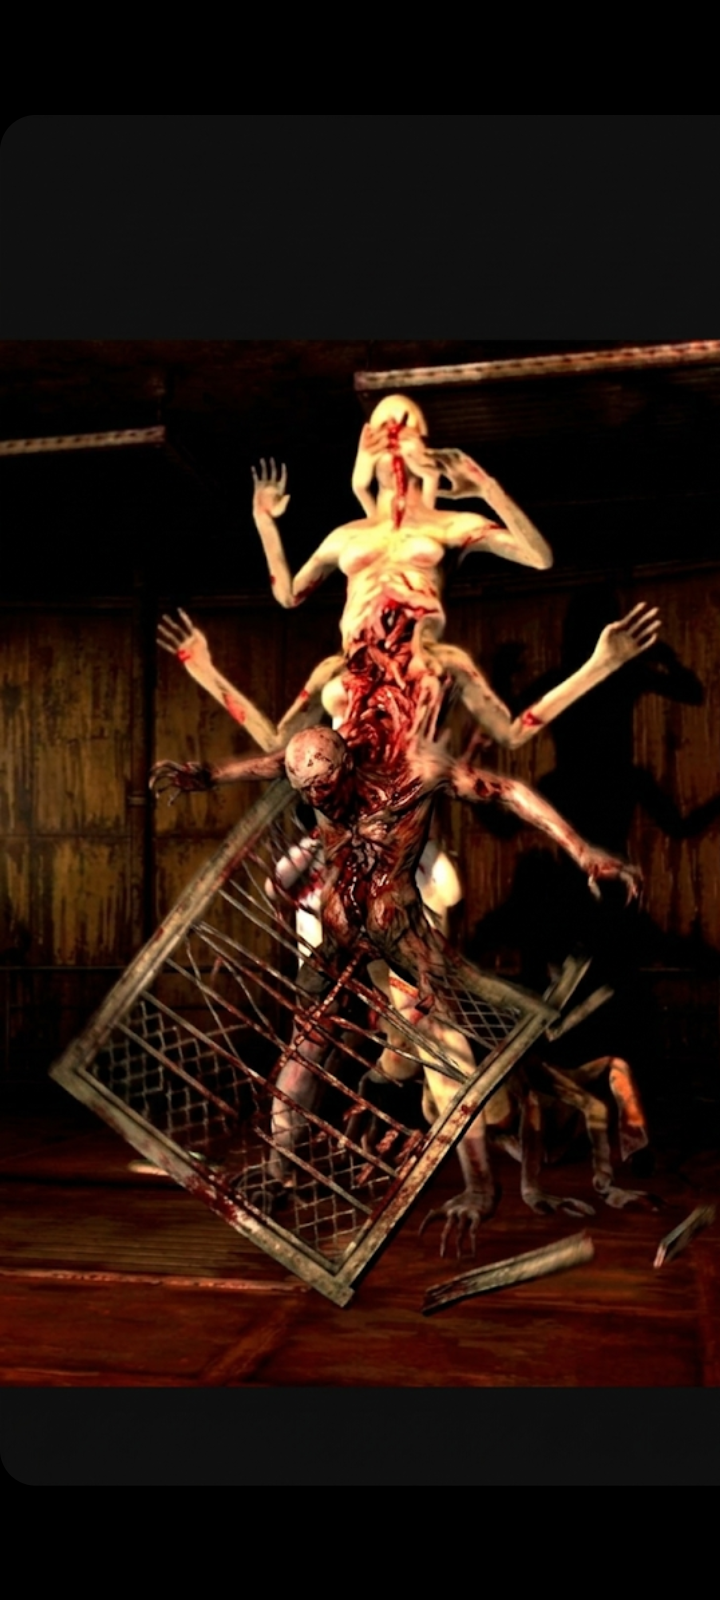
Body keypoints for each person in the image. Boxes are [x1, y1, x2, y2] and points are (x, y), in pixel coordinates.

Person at [151, 724, 641, 1205]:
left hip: (403, 944)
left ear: (347, 765)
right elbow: (272, 765)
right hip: (339, 942)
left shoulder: (413, 779)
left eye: (325, 787)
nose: (319, 800)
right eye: (307, 791)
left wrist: (582, 851)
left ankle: (494, 1172)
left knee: (446, 1052)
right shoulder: (308, 777)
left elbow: (508, 792)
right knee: (307, 1048)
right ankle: (281, 1171)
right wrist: (208, 774)